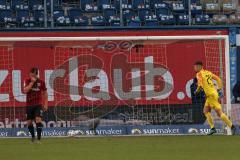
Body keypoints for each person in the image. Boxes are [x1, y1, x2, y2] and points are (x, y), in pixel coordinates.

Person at [193, 61, 236, 135]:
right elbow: (218, 79)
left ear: (200, 66)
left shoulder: (199, 74)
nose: (194, 68)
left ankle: (232, 126)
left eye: (195, 66)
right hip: (212, 94)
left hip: (211, 95)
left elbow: (199, 85)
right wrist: (219, 89)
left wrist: (196, 92)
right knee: (206, 111)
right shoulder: (208, 72)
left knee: (219, 113)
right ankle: (213, 128)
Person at [23, 68, 48, 142]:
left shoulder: (41, 82)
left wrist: (46, 104)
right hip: (29, 104)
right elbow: (25, 91)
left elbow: (45, 93)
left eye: (33, 75)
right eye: (30, 74)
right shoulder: (27, 81)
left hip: (38, 104)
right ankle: (33, 137)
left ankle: (39, 139)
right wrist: (31, 83)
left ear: (36, 74)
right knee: (29, 122)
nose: (31, 76)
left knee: (38, 120)